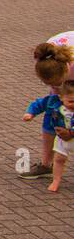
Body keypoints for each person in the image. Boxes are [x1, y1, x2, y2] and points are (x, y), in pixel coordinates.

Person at [20, 39, 74, 181]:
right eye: (48, 83)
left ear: (65, 70)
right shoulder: (45, 60)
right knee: (52, 116)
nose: (53, 87)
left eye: (57, 83)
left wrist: (71, 132)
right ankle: (46, 165)